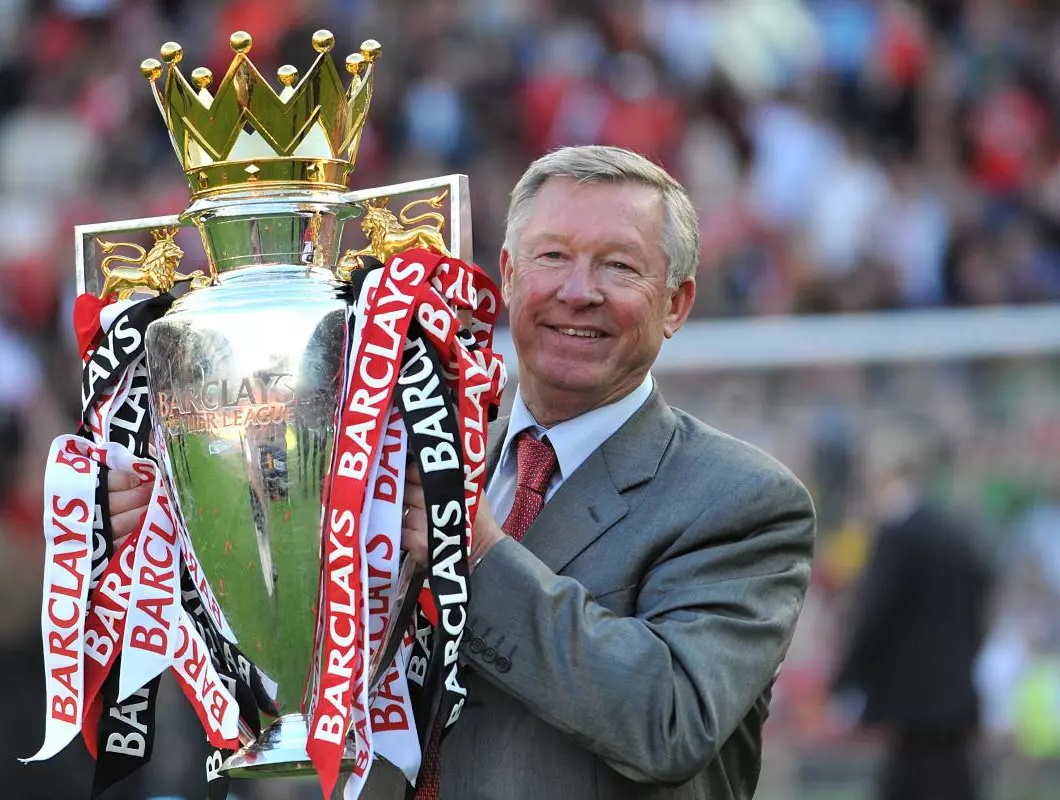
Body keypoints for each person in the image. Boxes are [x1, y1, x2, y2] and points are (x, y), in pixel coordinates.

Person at [109, 145, 817, 799]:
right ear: (507, 275)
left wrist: (473, 551)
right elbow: (301, 662)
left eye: (619, 266)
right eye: (552, 257)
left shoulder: (742, 499)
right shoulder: (401, 459)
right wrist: (182, 536)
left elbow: (669, 721)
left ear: (677, 305)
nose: (578, 291)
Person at [832, 434, 992, 800]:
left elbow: (874, 615)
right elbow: (979, 607)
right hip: (953, 695)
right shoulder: (956, 534)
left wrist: (846, 677)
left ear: (882, 477)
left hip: (912, 701)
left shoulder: (897, 535)